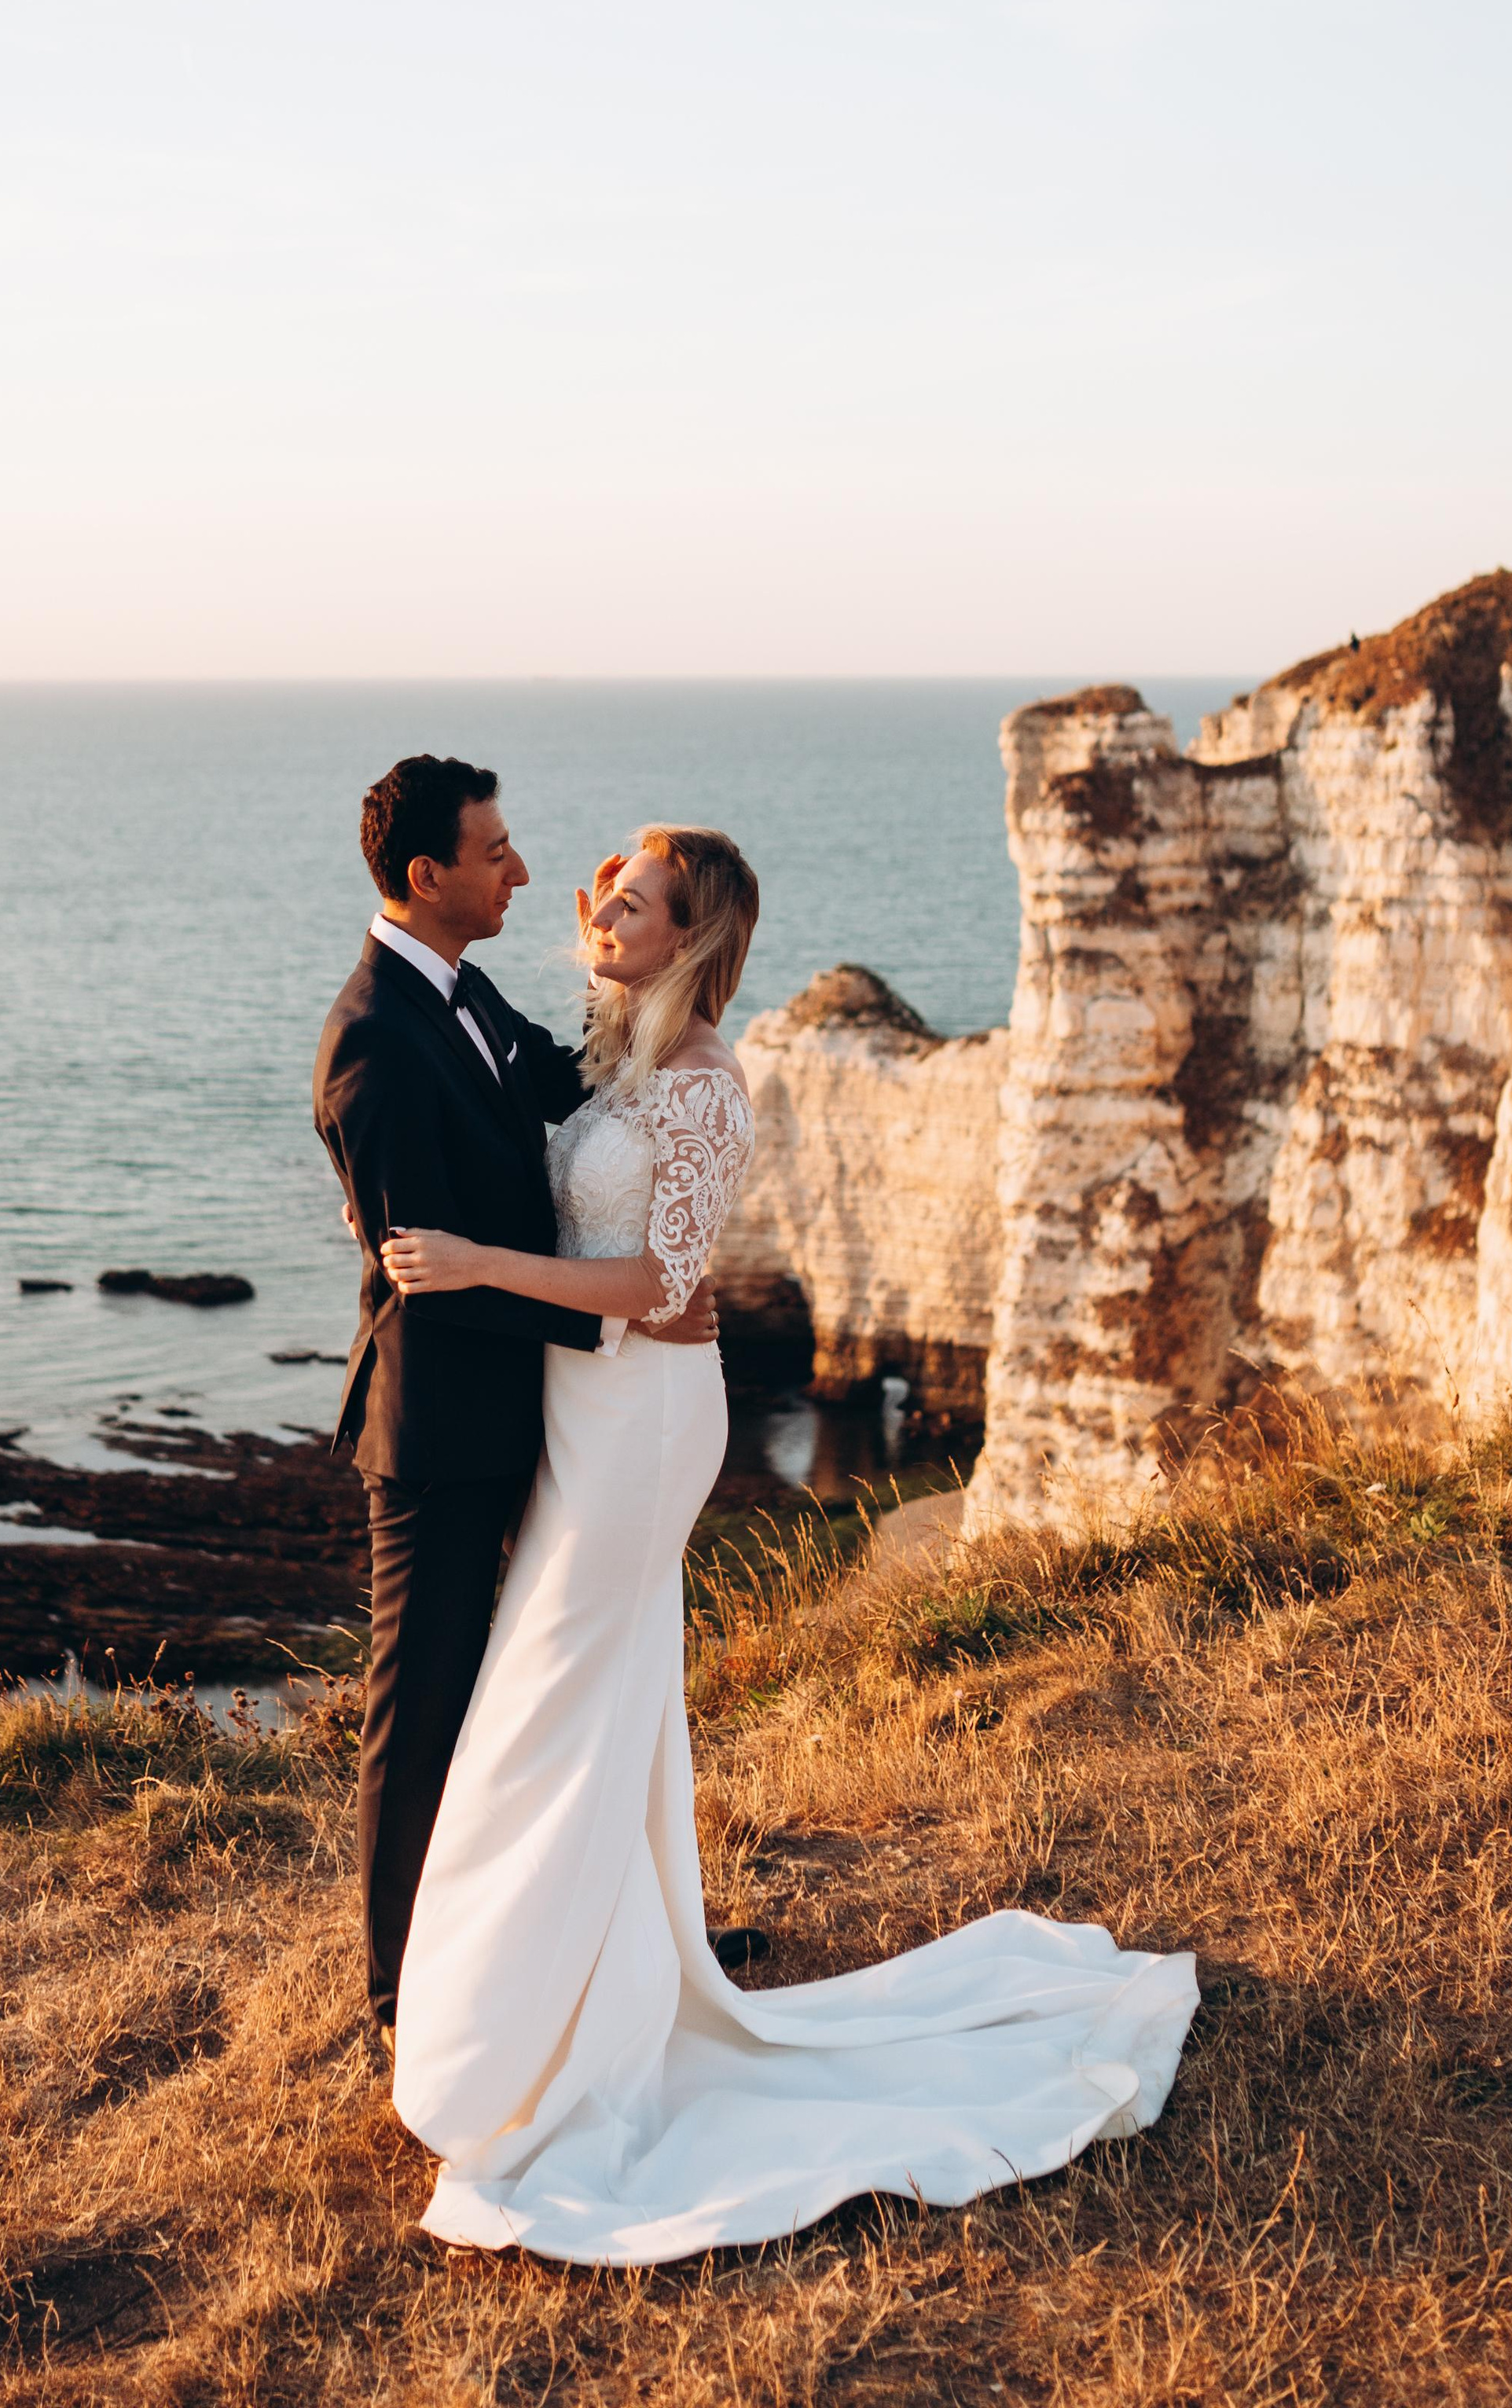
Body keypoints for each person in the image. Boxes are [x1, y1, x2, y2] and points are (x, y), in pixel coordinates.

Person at [375, 822, 1200, 2266]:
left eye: (635, 903)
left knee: (550, 1706)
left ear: (695, 939)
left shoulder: (702, 1085)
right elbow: (506, 1116)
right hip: (584, 1412)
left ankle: (517, 2047)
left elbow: (661, 1278)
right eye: (604, 893)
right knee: (591, 1706)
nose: (606, 911)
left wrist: (477, 1265)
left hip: (640, 1426)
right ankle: (577, 2001)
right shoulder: (615, 1051)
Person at [312, 756, 716, 2037]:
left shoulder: (458, 988)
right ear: (427, 877)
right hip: (437, 1431)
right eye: (497, 853)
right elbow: (429, 1274)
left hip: (537, 1415)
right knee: (420, 1705)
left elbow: (567, 1085)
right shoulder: (374, 1041)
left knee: (540, 1691)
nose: (525, 871)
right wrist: (633, 1304)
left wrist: (620, 958)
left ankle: (609, 1928)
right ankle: (398, 1995)